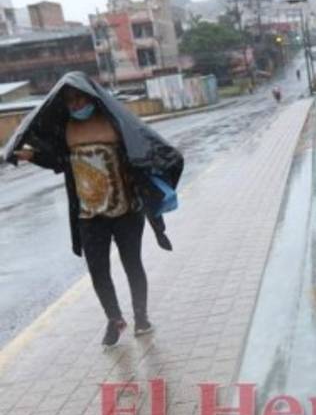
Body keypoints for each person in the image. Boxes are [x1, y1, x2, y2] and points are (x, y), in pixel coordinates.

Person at [4, 72, 183, 348]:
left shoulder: (116, 122)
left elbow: (143, 149)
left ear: (92, 98)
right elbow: (60, 161)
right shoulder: (66, 129)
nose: (76, 104)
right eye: (70, 100)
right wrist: (34, 156)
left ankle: (141, 317)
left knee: (132, 264)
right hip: (89, 216)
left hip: (126, 211)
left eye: (80, 98)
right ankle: (114, 319)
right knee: (98, 270)